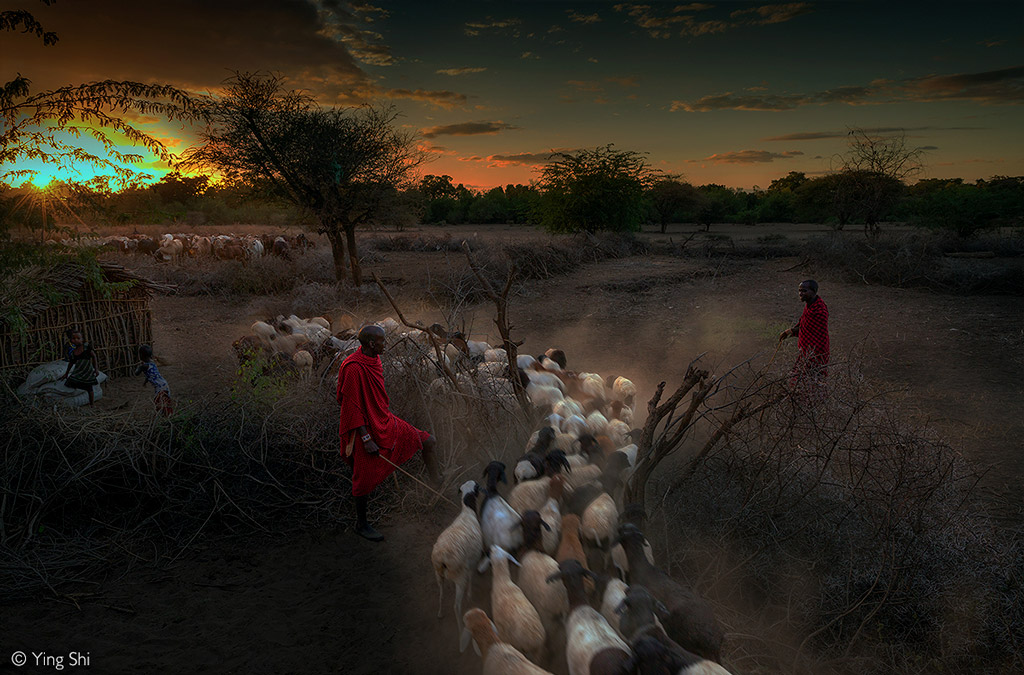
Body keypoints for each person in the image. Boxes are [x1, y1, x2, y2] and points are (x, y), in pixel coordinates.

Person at [336, 324, 438, 542]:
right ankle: (361, 525)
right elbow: (351, 407)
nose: (385, 344)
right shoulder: (353, 367)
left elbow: (377, 401)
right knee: (362, 480)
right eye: (382, 341)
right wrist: (366, 439)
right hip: (363, 430)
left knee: (428, 440)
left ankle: (436, 485)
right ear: (372, 344)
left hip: (384, 420)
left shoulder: (375, 360)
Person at [779, 279, 830, 383]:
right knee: (799, 378)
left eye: (804, 291)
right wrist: (788, 332)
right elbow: (805, 325)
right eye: (799, 290)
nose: (800, 293)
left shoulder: (820, 311)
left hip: (816, 353)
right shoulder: (810, 305)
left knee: (810, 380)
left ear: (813, 291)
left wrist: (790, 331)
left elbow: (812, 331)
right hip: (806, 353)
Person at [59, 329, 99, 405]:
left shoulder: (86, 347)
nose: (76, 340)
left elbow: (94, 356)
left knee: (89, 388)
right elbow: (71, 363)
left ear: (82, 339)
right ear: (71, 340)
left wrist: (96, 369)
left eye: (78, 338)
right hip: (78, 371)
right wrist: (66, 373)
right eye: (73, 338)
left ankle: (92, 405)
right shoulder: (74, 352)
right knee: (70, 383)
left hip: (87, 372)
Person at [135, 344, 173, 416]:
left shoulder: (144, 366)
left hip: (160, 387)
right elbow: (150, 375)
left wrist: (139, 367)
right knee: (163, 400)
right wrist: (145, 382)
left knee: (159, 401)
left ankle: (165, 415)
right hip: (163, 384)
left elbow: (136, 373)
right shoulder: (152, 362)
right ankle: (166, 415)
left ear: (141, 356)